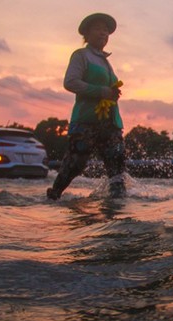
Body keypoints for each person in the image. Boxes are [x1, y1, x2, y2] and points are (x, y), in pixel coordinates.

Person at [47, 13, 126, 200]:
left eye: (106, 31)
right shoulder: (81, 55)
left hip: (110, 122)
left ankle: (118, 203)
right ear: (87, 34)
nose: (103, 33)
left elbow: (109, 91)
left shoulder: (106, 62)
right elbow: (70, 82)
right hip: (86, 121)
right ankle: (54, 194)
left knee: (117, 161)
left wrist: (113, 93)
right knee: (76, 162)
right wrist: (101, 91)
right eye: (99, 29)